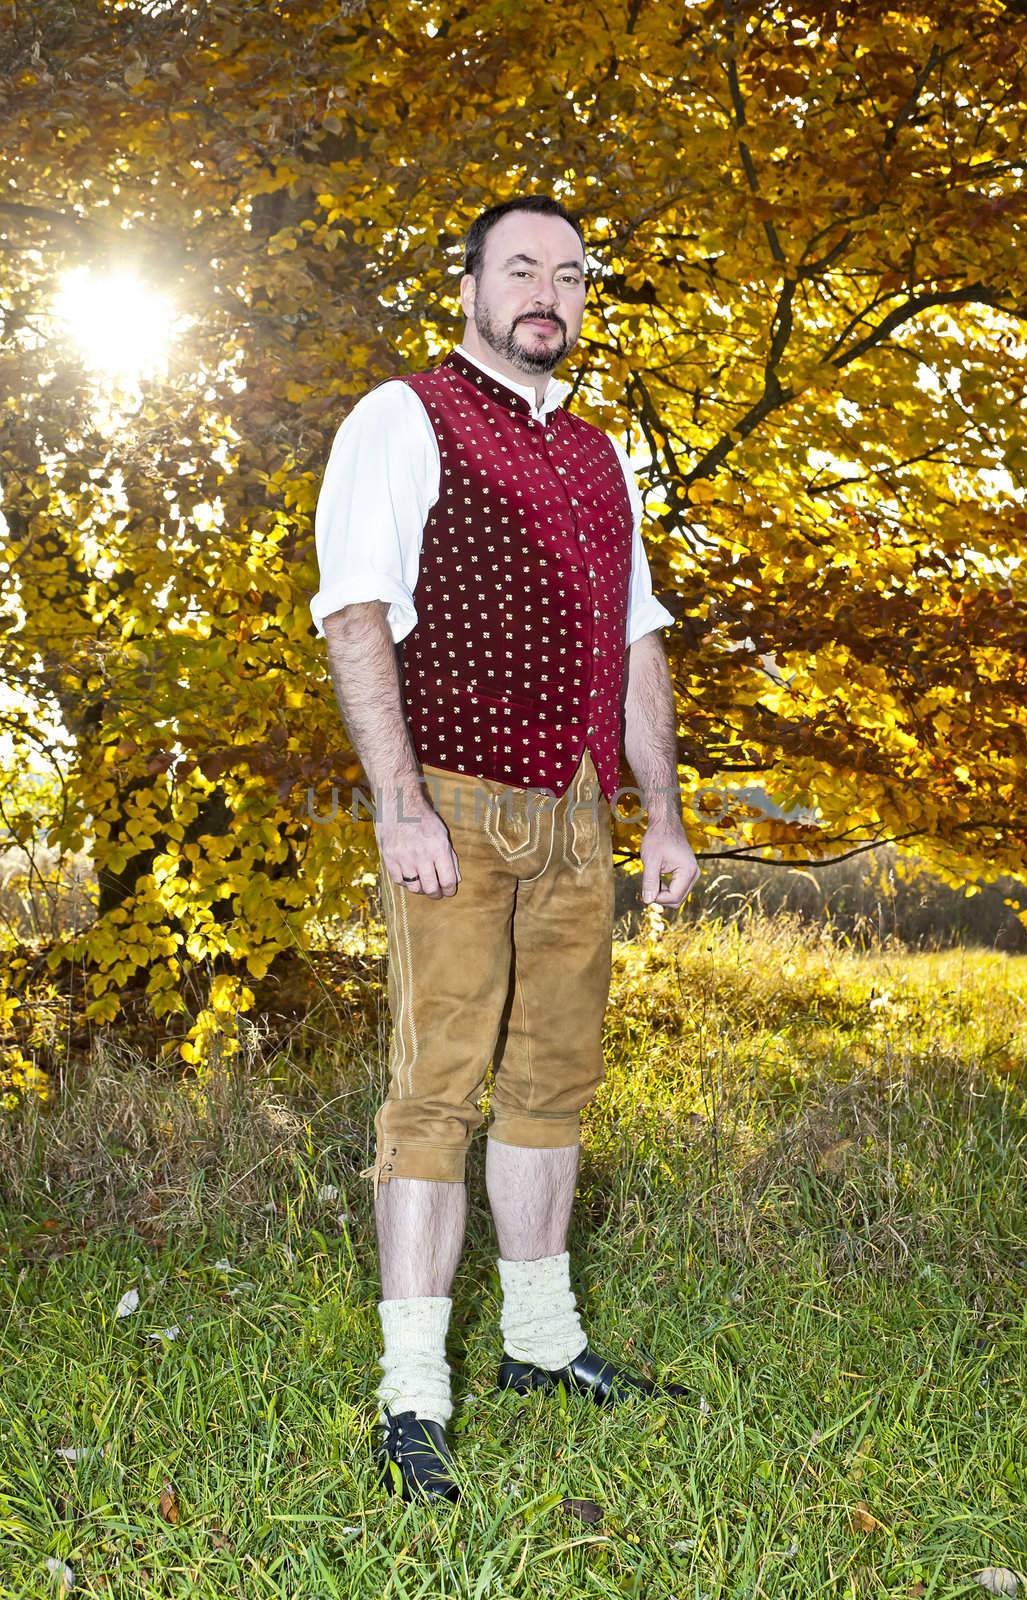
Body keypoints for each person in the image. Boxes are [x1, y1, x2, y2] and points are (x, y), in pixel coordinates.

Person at [311, 195, 701, 1504]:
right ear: (469, 284)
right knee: (437, 1087)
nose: (549, 292)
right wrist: (399, 803)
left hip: (582, 811)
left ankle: (540, 1343)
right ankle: (414, 1391)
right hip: (459, 805)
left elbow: (637, 641)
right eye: (521, 269)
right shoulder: (404, 416)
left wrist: (662, 809)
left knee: (554, 1081)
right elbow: (357, 612)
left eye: (571, 276)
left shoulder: (599, 458)